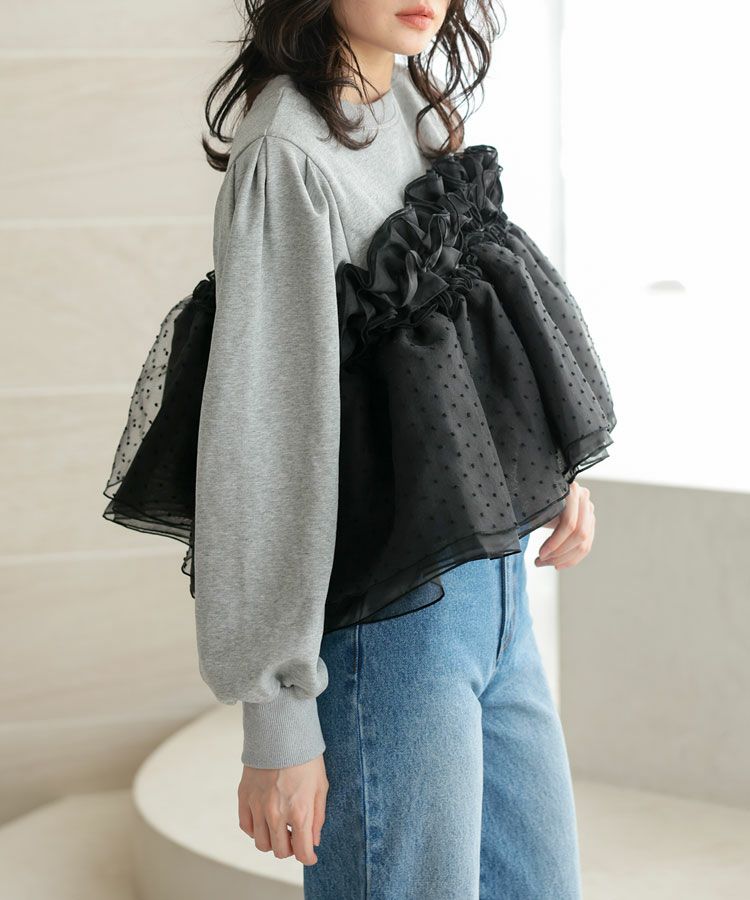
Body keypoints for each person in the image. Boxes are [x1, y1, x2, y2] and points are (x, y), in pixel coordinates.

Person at [188, 2, 615, 897]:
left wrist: (544, 475)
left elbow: (465, 337)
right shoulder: (288, 151)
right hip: (391, 630)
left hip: (495, 602)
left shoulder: (412, 100)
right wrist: (278, 720)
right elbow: (265, 440)